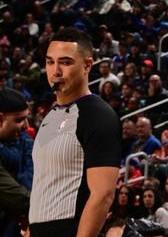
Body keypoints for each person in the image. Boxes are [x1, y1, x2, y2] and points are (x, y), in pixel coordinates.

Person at [29, 27, 121, 237]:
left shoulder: (99, 116)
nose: (56, 71)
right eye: (50, 62)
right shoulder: (51, 115)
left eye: (66, 62)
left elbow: (103, 195)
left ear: (87, 65)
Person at [0, 88, 30, 235]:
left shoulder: (24, 141)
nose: (26, 126)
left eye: (27, 118)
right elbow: (19, 199)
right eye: (19, 120)